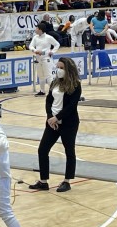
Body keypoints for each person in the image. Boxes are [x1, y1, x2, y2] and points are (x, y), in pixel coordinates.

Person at [29, 57, 82, 193]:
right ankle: (43, 181)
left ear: (68, 69)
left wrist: (57, 117)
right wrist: (50, 117)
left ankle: (67, 181)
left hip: (68, 123)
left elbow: (71, 106)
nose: (58, 70)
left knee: (69, 151)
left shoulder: (76, 85)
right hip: (52, 123)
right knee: (42, 150)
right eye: (57, 67)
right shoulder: (54, 83)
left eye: (61, 68)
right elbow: (48, 101)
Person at [29, 21, 60, 96]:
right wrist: (35, 50)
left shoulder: (48, 37)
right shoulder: (35, 37)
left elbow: (57, 44)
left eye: (37, 28)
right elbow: (31, 46)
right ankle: (42, 91)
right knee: (41, 76)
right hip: (38, 59)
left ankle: (53, 91)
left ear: (40, 29)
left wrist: (52, 52)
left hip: (46, 58)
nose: (35, 29)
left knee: (48, 76)